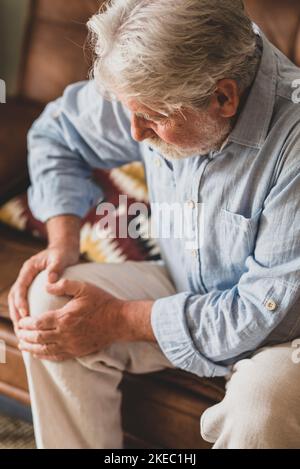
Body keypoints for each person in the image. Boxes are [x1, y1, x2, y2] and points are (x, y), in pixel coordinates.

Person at [8, 0, 300, 448]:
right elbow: (57, 133)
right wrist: (62, 240)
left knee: (260, 405)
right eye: (129, 110)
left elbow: (257, 312)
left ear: (224, 96)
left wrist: (120, 318)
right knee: (51, 302)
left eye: (155, 118)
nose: (134, 133)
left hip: (285, 333)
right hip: (187, 283)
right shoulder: (154, 89)